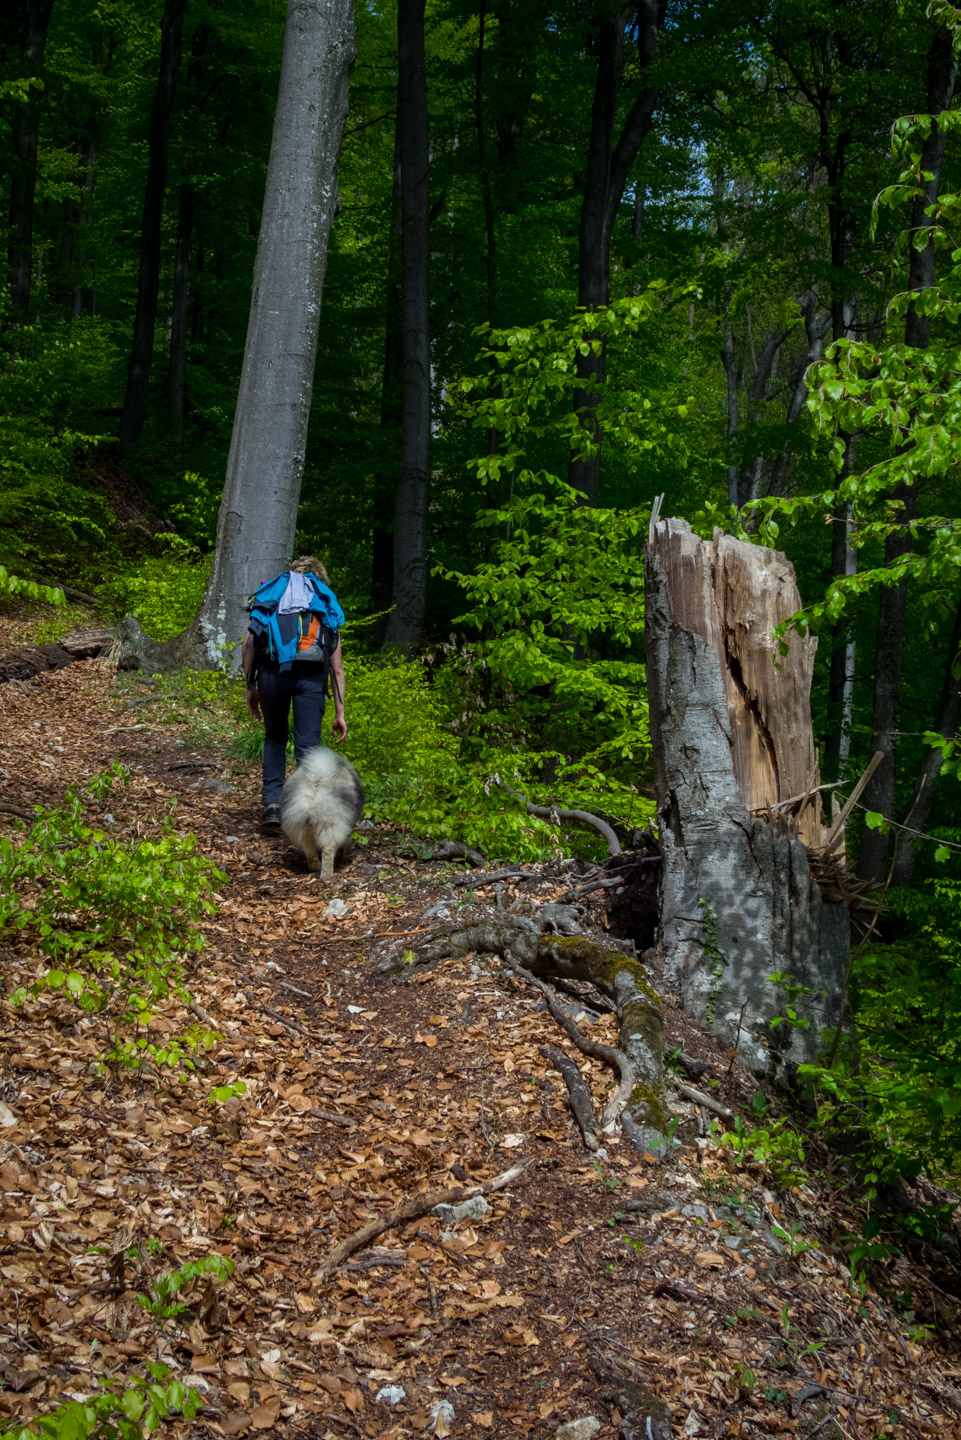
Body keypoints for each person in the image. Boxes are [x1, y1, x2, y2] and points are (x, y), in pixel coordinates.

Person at [241, 556, 347, 830]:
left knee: (275, 737)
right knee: (307, 747)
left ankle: (274, 805)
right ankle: (307, 811)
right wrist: (340, 712)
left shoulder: (274, 592)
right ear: (319, 576)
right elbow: (336, 668)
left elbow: (250, 642)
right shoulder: (323, 599)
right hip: (312, 678)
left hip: (272, 675)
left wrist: (251, 686)